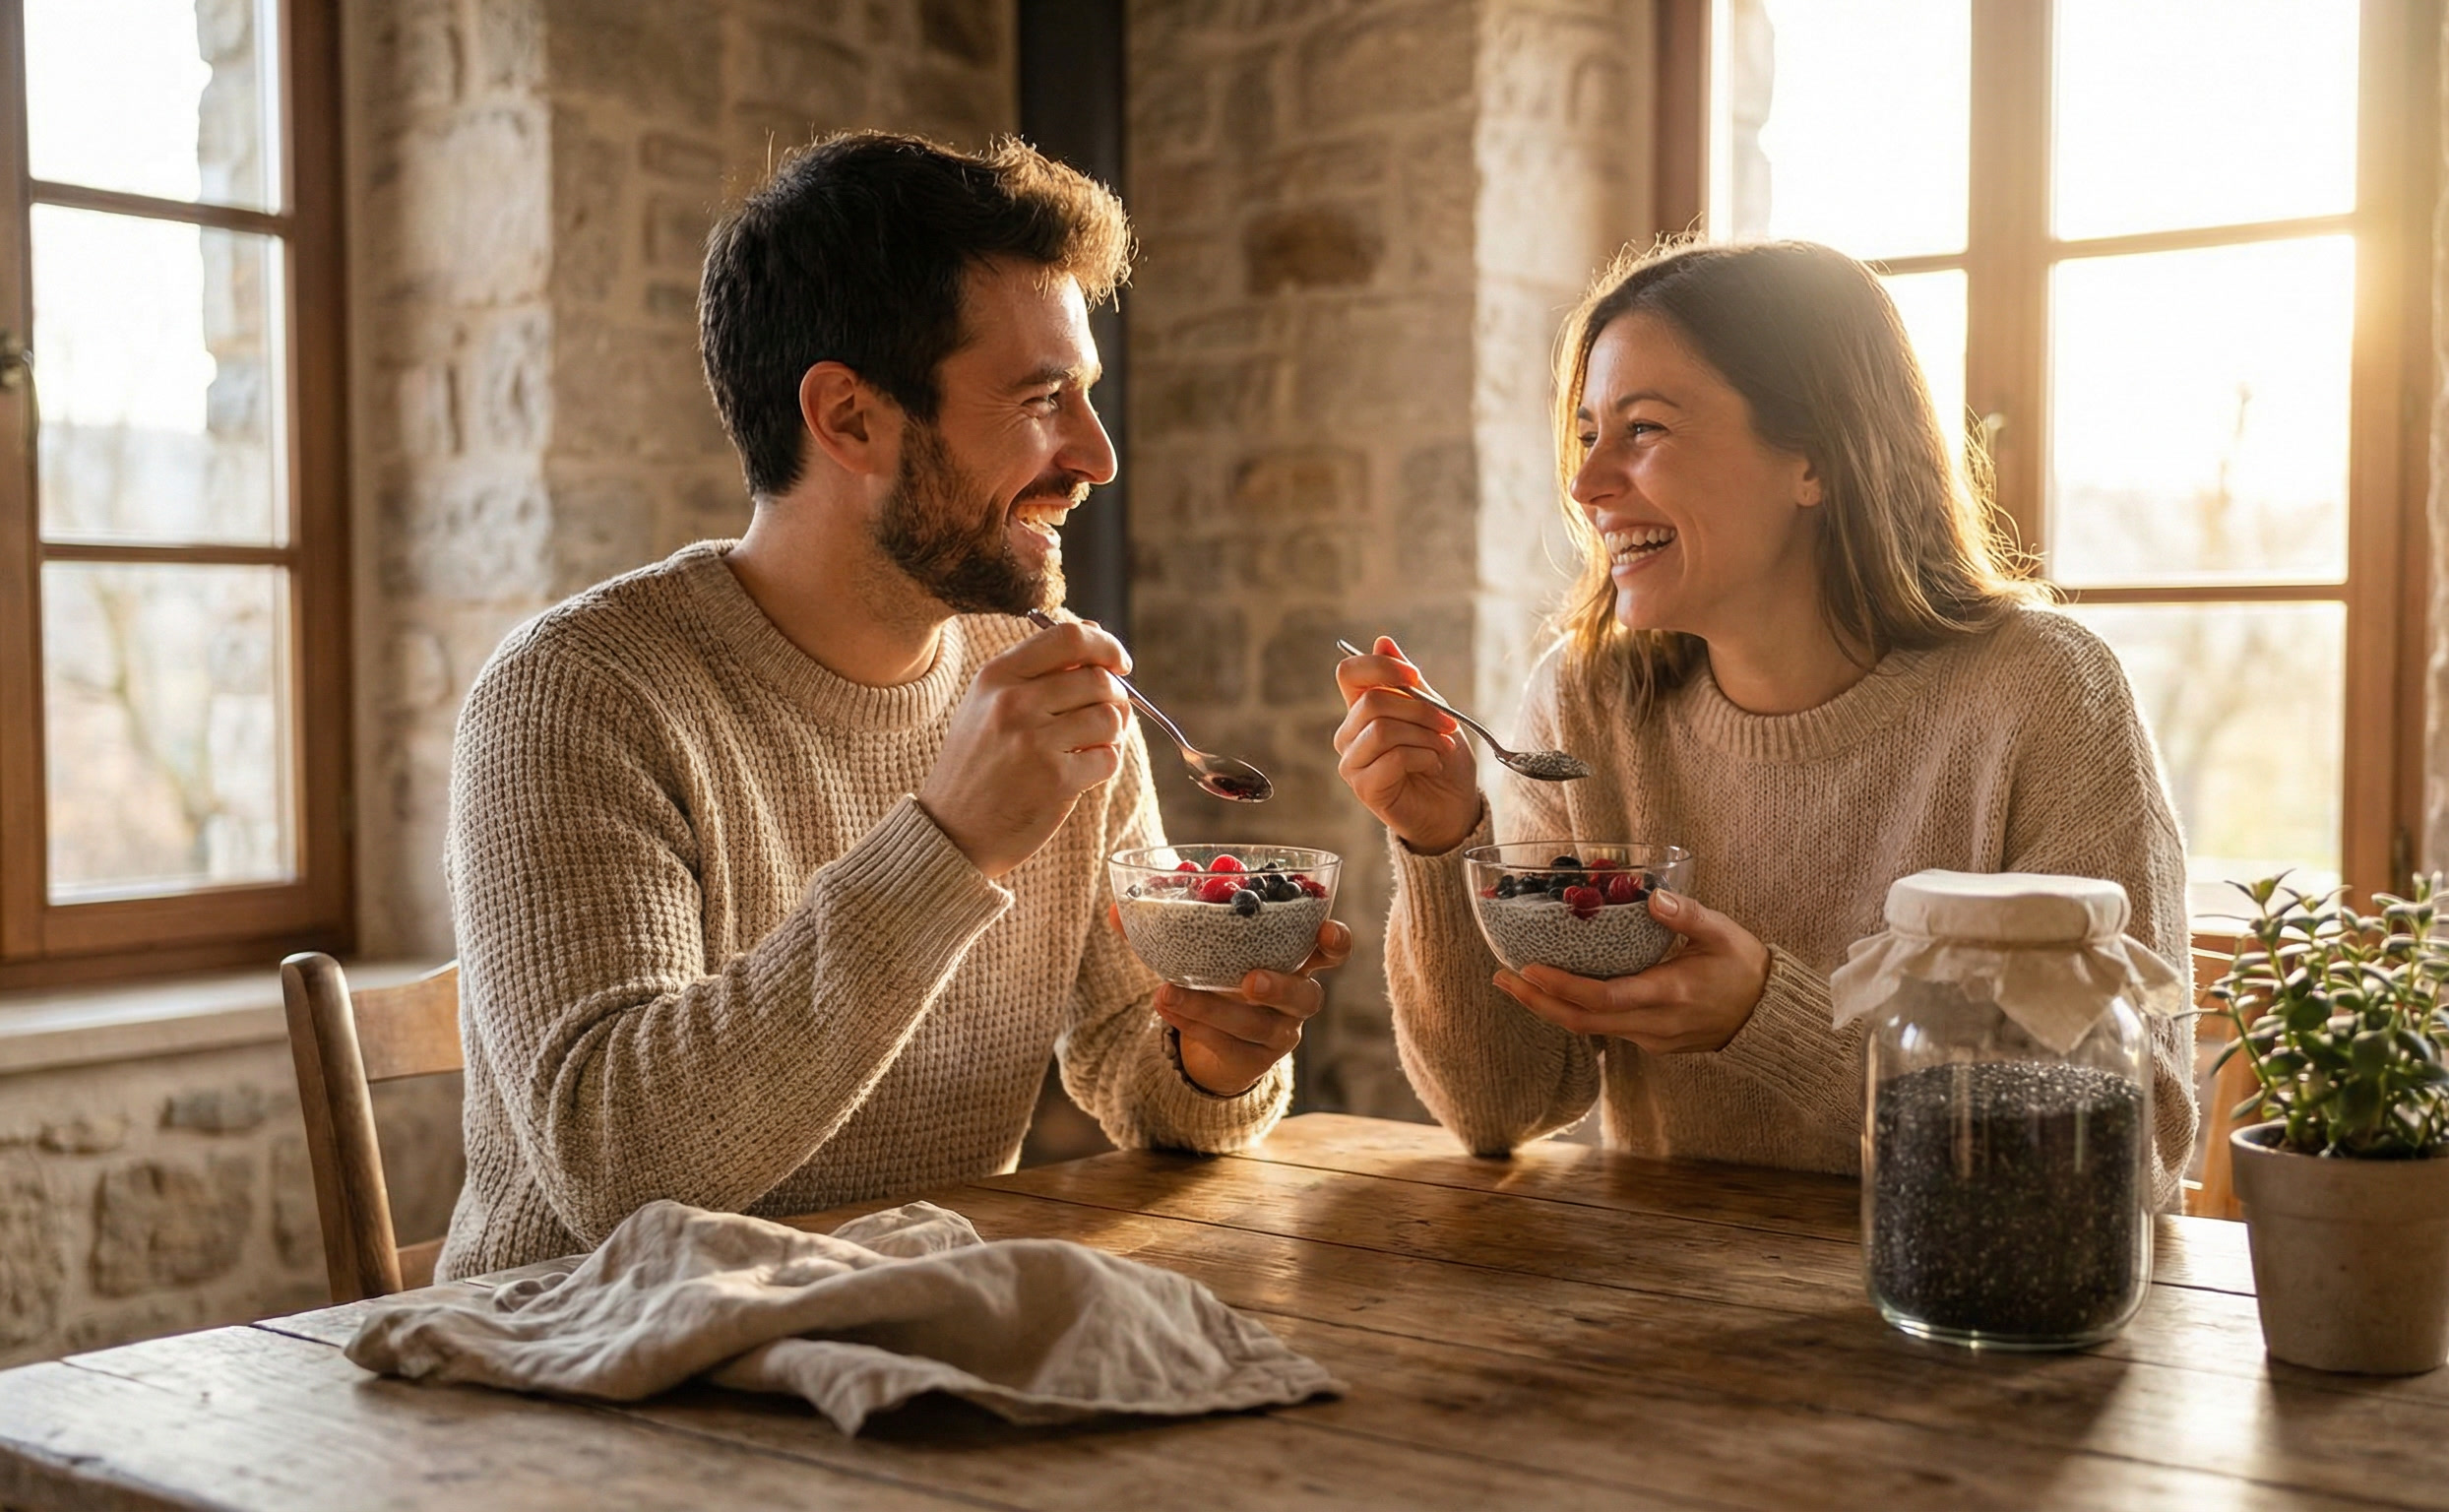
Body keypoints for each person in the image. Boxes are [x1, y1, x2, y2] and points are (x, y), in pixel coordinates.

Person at [436, 133, 1347, 1280]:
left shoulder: (1039, 677)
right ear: (850, 418)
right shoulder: (578, 693)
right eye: (1043, 398)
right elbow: (619, 1167)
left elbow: (1134, 1054)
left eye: (1088, 397)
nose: (1098, 457)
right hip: (584, 1352)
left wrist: (1211, 1054)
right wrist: (951, 842)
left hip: (909, 1325)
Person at [1333, 240, 2198, 1206]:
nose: (1586, 485)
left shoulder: (2042, 692)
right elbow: (1502, 1108)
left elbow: (2134, 1143)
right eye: (1586, 436)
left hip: (1969, 1286)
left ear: (1816, 460)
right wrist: (1441, 839)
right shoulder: (1587, 701)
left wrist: (1772, 1019)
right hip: (1669, 1286)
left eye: (1643, 429)